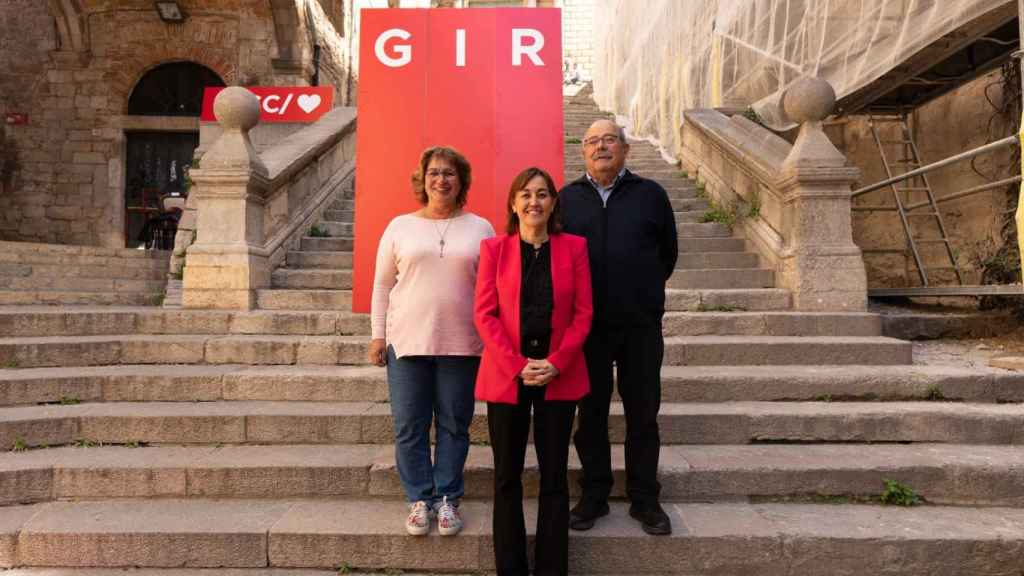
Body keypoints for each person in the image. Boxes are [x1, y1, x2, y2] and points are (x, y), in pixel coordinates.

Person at [368, 146, 495, 536]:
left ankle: (447, 500)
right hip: (407, 344)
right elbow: (382, 284)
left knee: (455, 426)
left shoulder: (481, 228)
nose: (442, 179)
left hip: (462, 345)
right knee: (410, 425)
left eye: (450, 173)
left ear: (462, 181)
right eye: (434, 173)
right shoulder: (399, 227)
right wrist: (378, 336)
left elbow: (492, 288)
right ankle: (419, 499)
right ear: (423, 180)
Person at [559, 120, 678, 535]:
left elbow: (667, 254)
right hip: (586, 328)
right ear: (583, 152)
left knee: (643, 414)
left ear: (626, 149)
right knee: (589, 415)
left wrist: (642, 295)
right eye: (592, 141)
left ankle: (645, 499)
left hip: (640, 326)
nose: (601, 146)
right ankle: (594, 495)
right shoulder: (566, 199)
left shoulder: (651, 195)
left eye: (610, 139)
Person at [474, 167, 592, 576]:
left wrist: (557, 362)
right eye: (525, 194)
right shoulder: (494, 250)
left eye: (542, 194)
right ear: (513, 203)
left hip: (558, 375)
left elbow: (583, 314)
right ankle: (510, 567)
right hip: (508, 376)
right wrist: (517, 364)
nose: (534, 202)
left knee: (555, 476)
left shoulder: (574, 248)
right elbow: (485, 315)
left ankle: (550, 568)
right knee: (506, 475)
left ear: (554, 203)